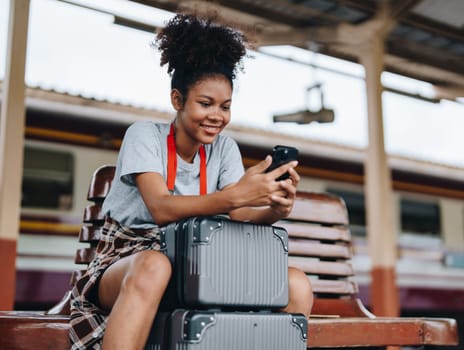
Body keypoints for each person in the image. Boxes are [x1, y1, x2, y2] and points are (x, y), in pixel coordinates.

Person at [69, 13, 313, 350]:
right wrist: (236, 196)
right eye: (205, 103)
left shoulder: (224, 148)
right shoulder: (144, 136)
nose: (217, 116)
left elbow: (240, 216)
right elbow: (161, 208)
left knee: (297, 284)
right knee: (153, 266)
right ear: (177, 100)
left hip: (199, 266)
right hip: (127, 262)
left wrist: (274, 208)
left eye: (226, 106)